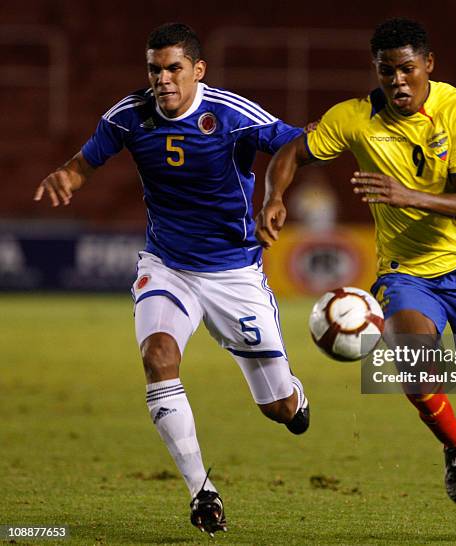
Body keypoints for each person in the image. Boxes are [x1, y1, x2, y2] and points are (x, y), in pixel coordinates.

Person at [257, 18, 456, 545]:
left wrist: (406, 195)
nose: (397, 81)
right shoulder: (353, 118)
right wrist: (274, 197)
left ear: (428, 66)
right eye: (385, 71)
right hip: (406, 273)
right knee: (410, 357)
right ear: (374, 71)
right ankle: (455, 444)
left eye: (406, 69)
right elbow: (291, 152)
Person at [34, 22, 310, 537]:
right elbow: (84, 162)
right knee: (158, 357)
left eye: (173, 68)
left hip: (234, 274)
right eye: (154, 69)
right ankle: (201, 492)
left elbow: (295, 144)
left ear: (197, 71)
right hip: (167, 266)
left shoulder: (231, 115)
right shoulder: (129, 116)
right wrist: (65, 177)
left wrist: (274, 196)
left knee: (279, 408)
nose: (162, 79)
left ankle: (294, 395)